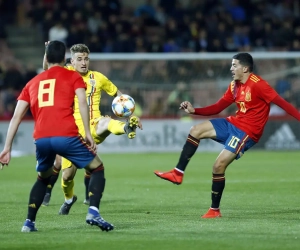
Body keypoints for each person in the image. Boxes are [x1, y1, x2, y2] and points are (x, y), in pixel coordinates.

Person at [154, 52, 300, 218]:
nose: (231, 68)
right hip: (234, 123)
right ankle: (177, 173)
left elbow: (284, 104)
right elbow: (217, 107)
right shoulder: (234, 85)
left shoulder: (259, 85)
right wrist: (195, 111)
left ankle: (214, 210)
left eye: (234, 65)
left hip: (247, 131)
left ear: (245, 68)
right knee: (196, 130)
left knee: (218, 166)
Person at [0, 40, 114, 232]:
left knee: (42, 178)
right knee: (97, 167)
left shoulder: (32, 83)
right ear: (65, 59)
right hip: (67, 135)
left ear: (46, 57)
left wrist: (6, 148)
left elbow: (16, 117)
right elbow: (83, 103)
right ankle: (93, 211)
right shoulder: (72, 77)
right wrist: (87, 133)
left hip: (42, 139)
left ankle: (29, 223)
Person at [41, 43, 143, 213]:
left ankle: (126, 128)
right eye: (79, 59)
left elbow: (119, 96)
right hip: (71, 132)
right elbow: (48, 69)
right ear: (71, 61)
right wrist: (47, 51)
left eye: (86, 59)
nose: (83, 62)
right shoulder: (66, 74)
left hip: (93, 125)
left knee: (106, 123)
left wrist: (129, 114)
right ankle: (69, 199)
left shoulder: (98, 77)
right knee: (67, 176)